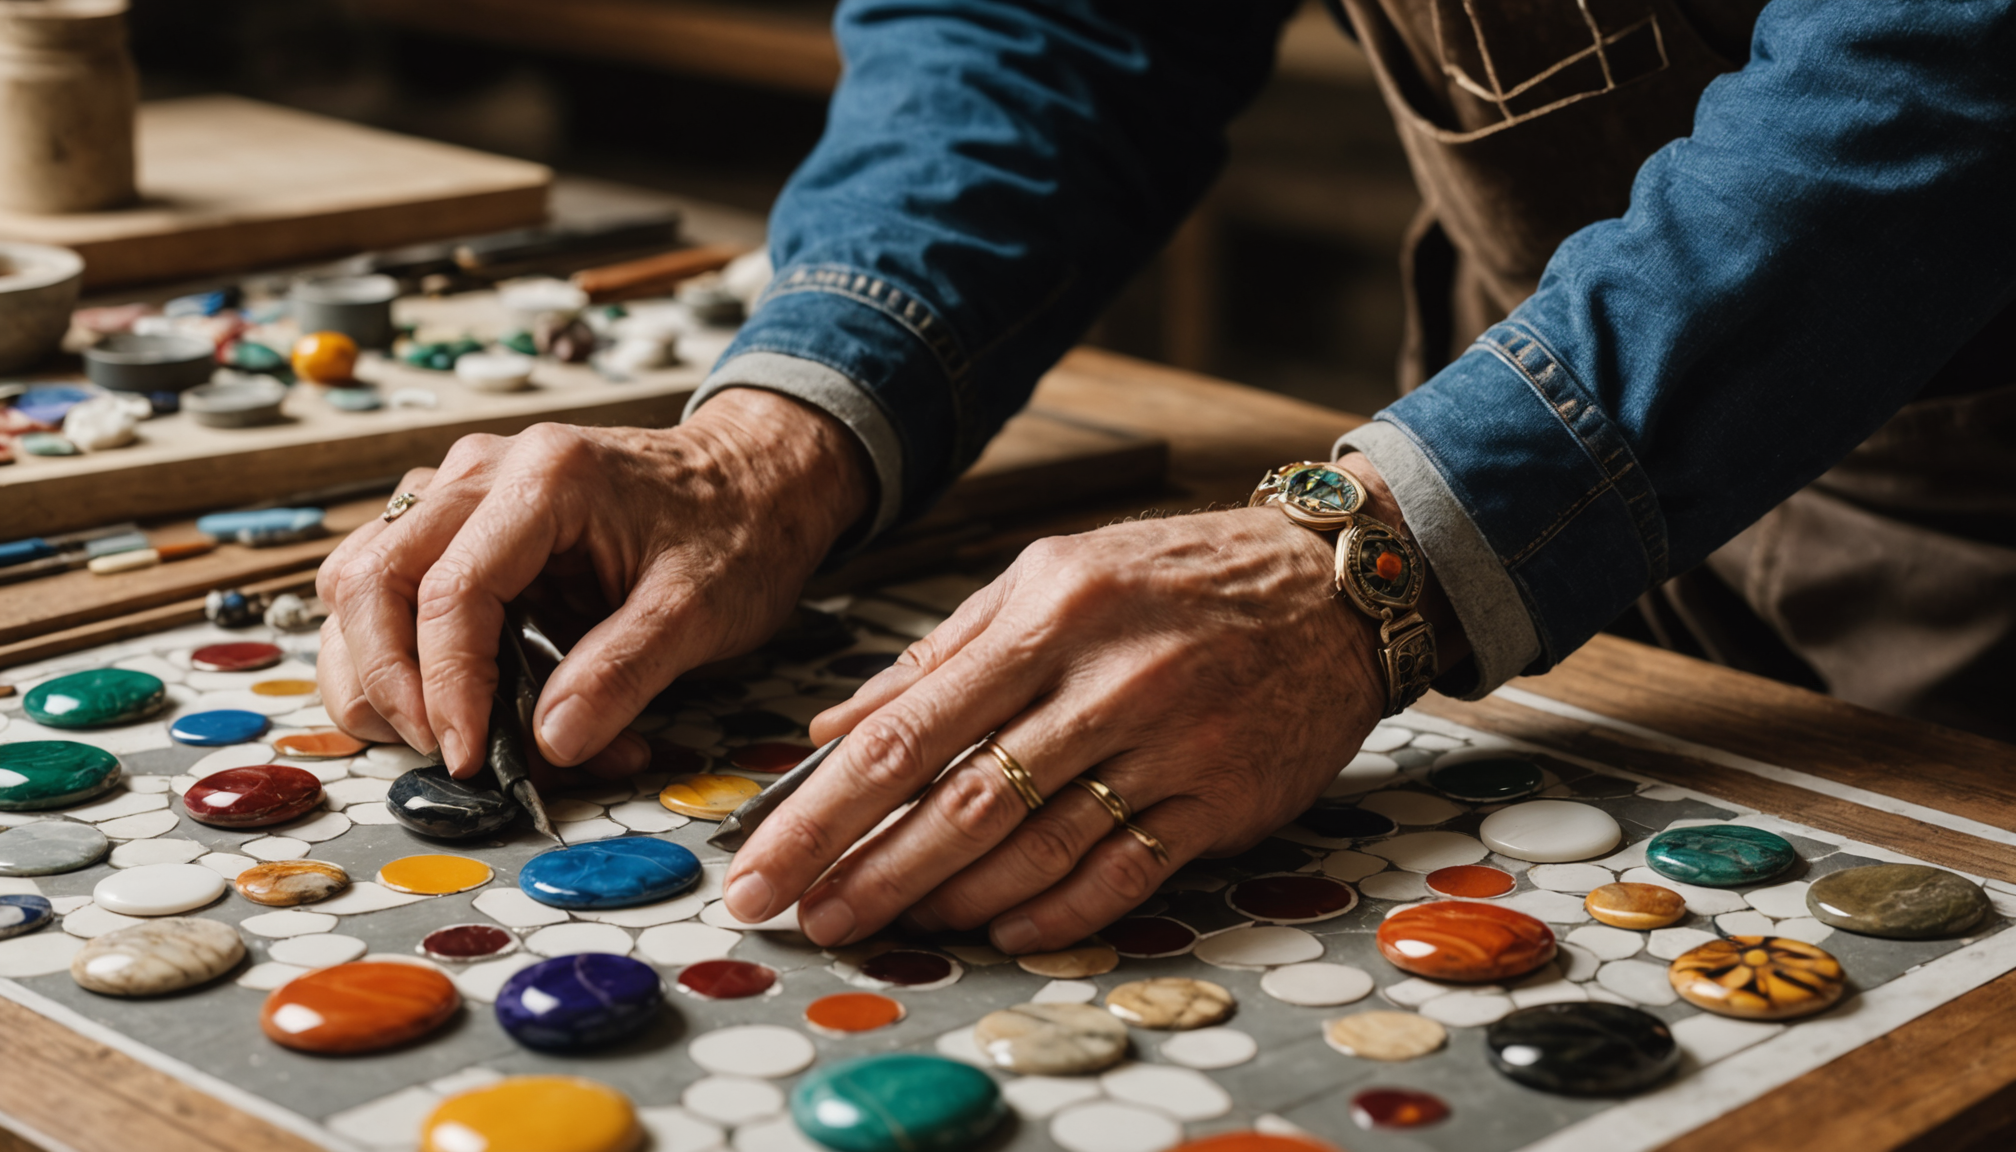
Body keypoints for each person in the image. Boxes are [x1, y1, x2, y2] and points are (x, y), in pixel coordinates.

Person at [317, 0, 2016, 957]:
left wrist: (1372, 562)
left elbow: (1944, 70)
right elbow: (1049, 22)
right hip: (1523, 405)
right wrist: (773, 438)